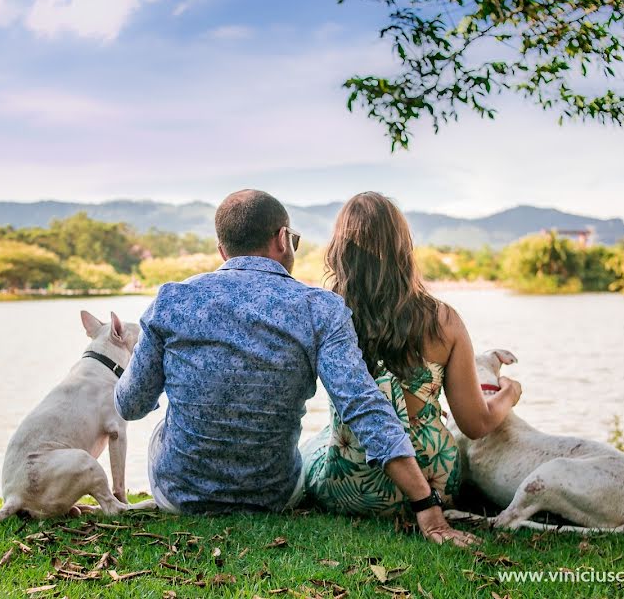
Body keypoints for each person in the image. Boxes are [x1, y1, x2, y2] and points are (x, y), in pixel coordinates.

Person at [115, 189, 471, 545]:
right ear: (284, 239)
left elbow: (130, 405)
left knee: (165, 426)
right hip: (272, 497)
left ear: (222, 250)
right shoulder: (320, 308)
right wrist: (426, 505)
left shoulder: (172, 300)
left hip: (182, 498)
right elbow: (364, 406)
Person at [301, 192, 522, 516]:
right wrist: (509, 394)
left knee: (317, 440)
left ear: (340, 250)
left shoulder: (330, 313)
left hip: (349, 487)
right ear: (404, 247)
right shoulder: (444, 321)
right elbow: (476, 424)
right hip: (436, 482)